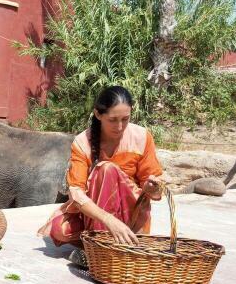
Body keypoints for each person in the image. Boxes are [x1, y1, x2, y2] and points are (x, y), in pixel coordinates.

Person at [37, 86, 163, 267]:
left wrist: (152, 188)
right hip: (97, 215)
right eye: (112, 120)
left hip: (130, 216)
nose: (119, 127)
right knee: (60, 230)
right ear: (98, 114)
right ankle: (102, 243)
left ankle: (98, 249)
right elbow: (77, 194)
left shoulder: (142, 137)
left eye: (125, 119)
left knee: (106, 169)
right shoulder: (82, 142)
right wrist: (109, 220)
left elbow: (155, 190)